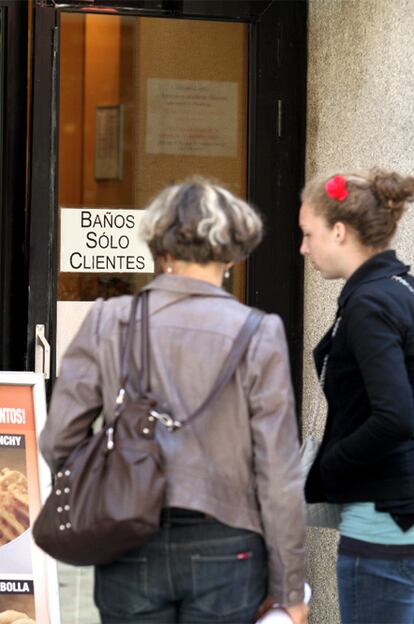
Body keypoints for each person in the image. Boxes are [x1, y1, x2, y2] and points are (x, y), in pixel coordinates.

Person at [40, 178, 307, 624]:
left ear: (160, 247)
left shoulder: (109, 318)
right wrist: (289, 588)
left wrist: (105, 489)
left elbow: (58, 439)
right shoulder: (259, 331)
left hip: (127, 539)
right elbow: (279, 472)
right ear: (232, 252)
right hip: (229, 545)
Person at [299, 169, 414, 624]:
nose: (304, 248)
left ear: (339, 232)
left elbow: (397, 415)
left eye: (308, 234)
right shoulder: (399, 289)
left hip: (383, 525)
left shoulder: (369, 303)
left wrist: (331, 464)